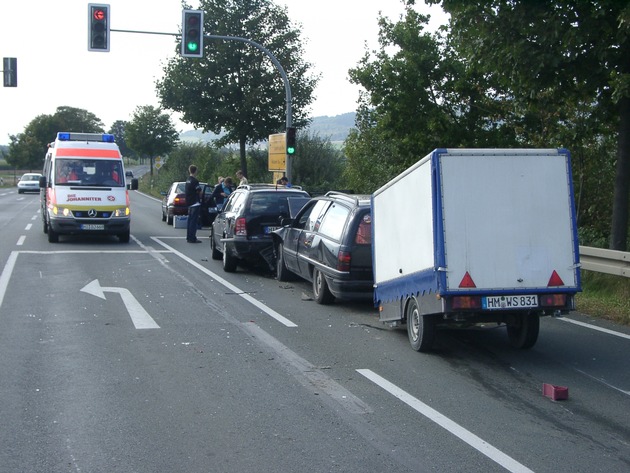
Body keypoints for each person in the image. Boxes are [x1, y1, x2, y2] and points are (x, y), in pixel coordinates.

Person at [185, 164, 203, 243]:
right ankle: (192, 238)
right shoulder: (195, 181)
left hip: (189, 202)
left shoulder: (187, 180)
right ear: (195, 171)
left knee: (190, 221)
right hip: (195, 203)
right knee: (194, 221)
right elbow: (199, 191)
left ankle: (188, 236)